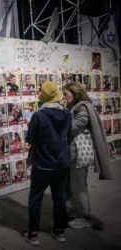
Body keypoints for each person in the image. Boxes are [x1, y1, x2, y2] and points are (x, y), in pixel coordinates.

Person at [21, 81, 72, 246]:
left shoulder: (38, 115)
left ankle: (33, 234)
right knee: (59, 197)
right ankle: (60, 231)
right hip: (62, 162)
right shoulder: (67, 114)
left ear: (43, 97)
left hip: (43, 162)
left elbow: (30, 139)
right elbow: (69, 135)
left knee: (36, 197)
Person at [63, 82, 111, 230]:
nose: (63, 97)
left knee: (79, 186)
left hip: (79, 154)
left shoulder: (83, 108)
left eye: (66, 94)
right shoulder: (77, 107)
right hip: (74, 153)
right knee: (72, 185)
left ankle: (84, 217)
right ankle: (77, 211)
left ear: (75, 93)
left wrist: (63, 111)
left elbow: (71, 128)